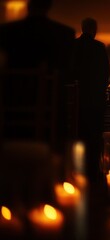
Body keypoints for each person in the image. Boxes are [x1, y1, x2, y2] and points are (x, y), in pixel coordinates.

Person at [0, 0, 76, 154]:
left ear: (29, 6)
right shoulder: (64, 34)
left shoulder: (8, 31)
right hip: (51, 107)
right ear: (49, 6)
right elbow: (68, 71)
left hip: (13, 103)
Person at [71, 17, 110, 181]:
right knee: (95, 135)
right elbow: (106, 73)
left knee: (78, 133)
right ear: (94, 29)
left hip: (76, 99)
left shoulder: (73, 46)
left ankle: (77, 169)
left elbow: (70, 70)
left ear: (82, 28)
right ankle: (94, 171)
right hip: (95, 99)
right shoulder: (99, 47)